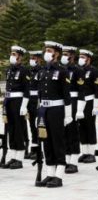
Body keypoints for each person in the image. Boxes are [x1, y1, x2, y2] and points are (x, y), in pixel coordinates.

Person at [36, 41, 71, 187]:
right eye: (46, 50)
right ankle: (50, 173)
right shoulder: (43, 71)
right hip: (44, 110)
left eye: (50, 50)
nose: (47, 53)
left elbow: (66, 95)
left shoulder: (62, 71)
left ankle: (59, 175)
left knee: (58, 142)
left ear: (56, 53)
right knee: (46, 142)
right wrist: (38, 114)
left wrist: (68, 115)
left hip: (57, 111)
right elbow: (39, 94)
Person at [1, 46, 29, 169]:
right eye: (11, 53)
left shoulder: (24, 71)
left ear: (20, 57)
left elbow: (27, 90)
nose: (12, 56)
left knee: (18, 129)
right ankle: (13, 156)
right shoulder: (9, 70)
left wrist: (24, 106)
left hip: (18, 102)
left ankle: (19, 158)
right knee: (10, 129)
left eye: (14, 54)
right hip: (8, 101)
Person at [75, 49, 98, 164]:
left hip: (90, 101)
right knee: (81, 126)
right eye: (80, 56)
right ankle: (85, 152)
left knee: (90, 126)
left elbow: (97, 91)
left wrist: (96, 106)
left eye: (83, 57)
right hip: (80, 102)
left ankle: (91, 153)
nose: (80, 59)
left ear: (89, 59)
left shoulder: (94, 71)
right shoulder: (78, 70)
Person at [61, 46, 83, 171]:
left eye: (67, 54)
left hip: (73, 101)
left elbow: (81, 91)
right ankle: (66, 158)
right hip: (63, 102)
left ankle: (74, 161)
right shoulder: (60, 69)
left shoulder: (77, 70)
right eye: (63, 54)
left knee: (73, 131)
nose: (64, 56)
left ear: (73, 56)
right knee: (64, 131)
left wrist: (80, 109)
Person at [27, 50, 44, 158]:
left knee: (39, 125)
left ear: (39, 59)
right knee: (32, 125)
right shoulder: (29, 71)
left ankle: (39, 150)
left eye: (34, 58)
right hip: (29, 100)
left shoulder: (41, 71)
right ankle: (33, 148)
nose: (32, 60)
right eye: (31, 58)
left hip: (37, 100)